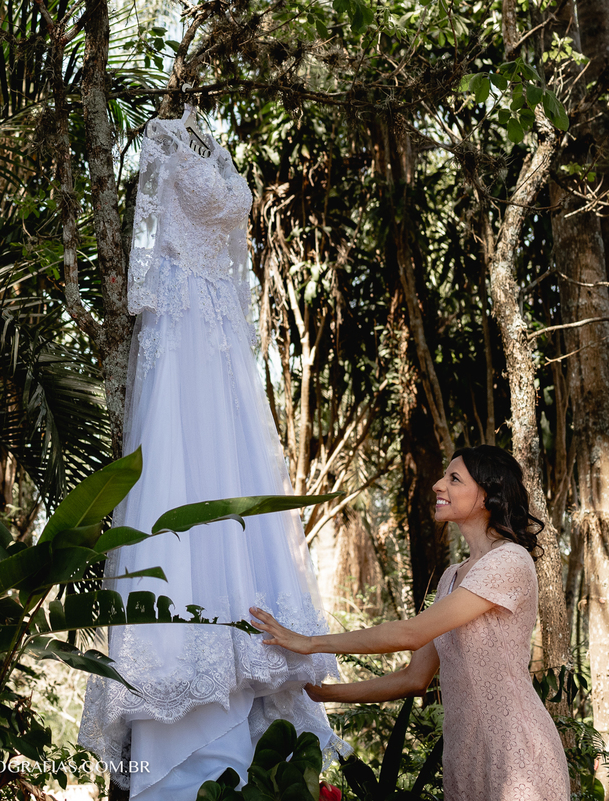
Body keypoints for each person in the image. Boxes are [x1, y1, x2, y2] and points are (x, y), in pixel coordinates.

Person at [76, 104, 346, 800]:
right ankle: (181, 710)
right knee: (179, 495)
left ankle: (243, 685)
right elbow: (141, 261)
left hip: (226, 351)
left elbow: (239, 267)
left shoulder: (215, 150)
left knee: (237, 512)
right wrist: (158, 301)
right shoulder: (163, 142)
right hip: (182, 342)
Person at [251, 444, 569, 801]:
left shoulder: (509, 561)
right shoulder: (452, 576)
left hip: (518, 753)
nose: (437, 485)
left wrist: (311, 642)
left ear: (486, 495)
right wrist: (323, 694)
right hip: (464, 756)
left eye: (453, 478)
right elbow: (414, 678)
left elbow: (412, 632)